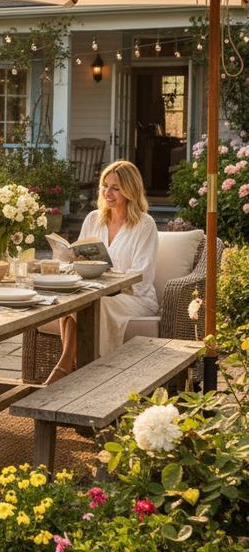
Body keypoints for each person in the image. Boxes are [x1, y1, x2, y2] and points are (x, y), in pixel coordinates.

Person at [45, 160, 159, 384]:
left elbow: (142, 275)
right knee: (73, 302)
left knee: (93, 305)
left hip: (134, 298)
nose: (108, 192)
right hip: (93, 290)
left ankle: (65, 368)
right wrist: (74, 259)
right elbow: (78, 259)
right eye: (105, 186)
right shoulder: (93, 219)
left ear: (130, 189)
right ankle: (75, 371)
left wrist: (103, 273)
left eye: (115, 187)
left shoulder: (145, 225)